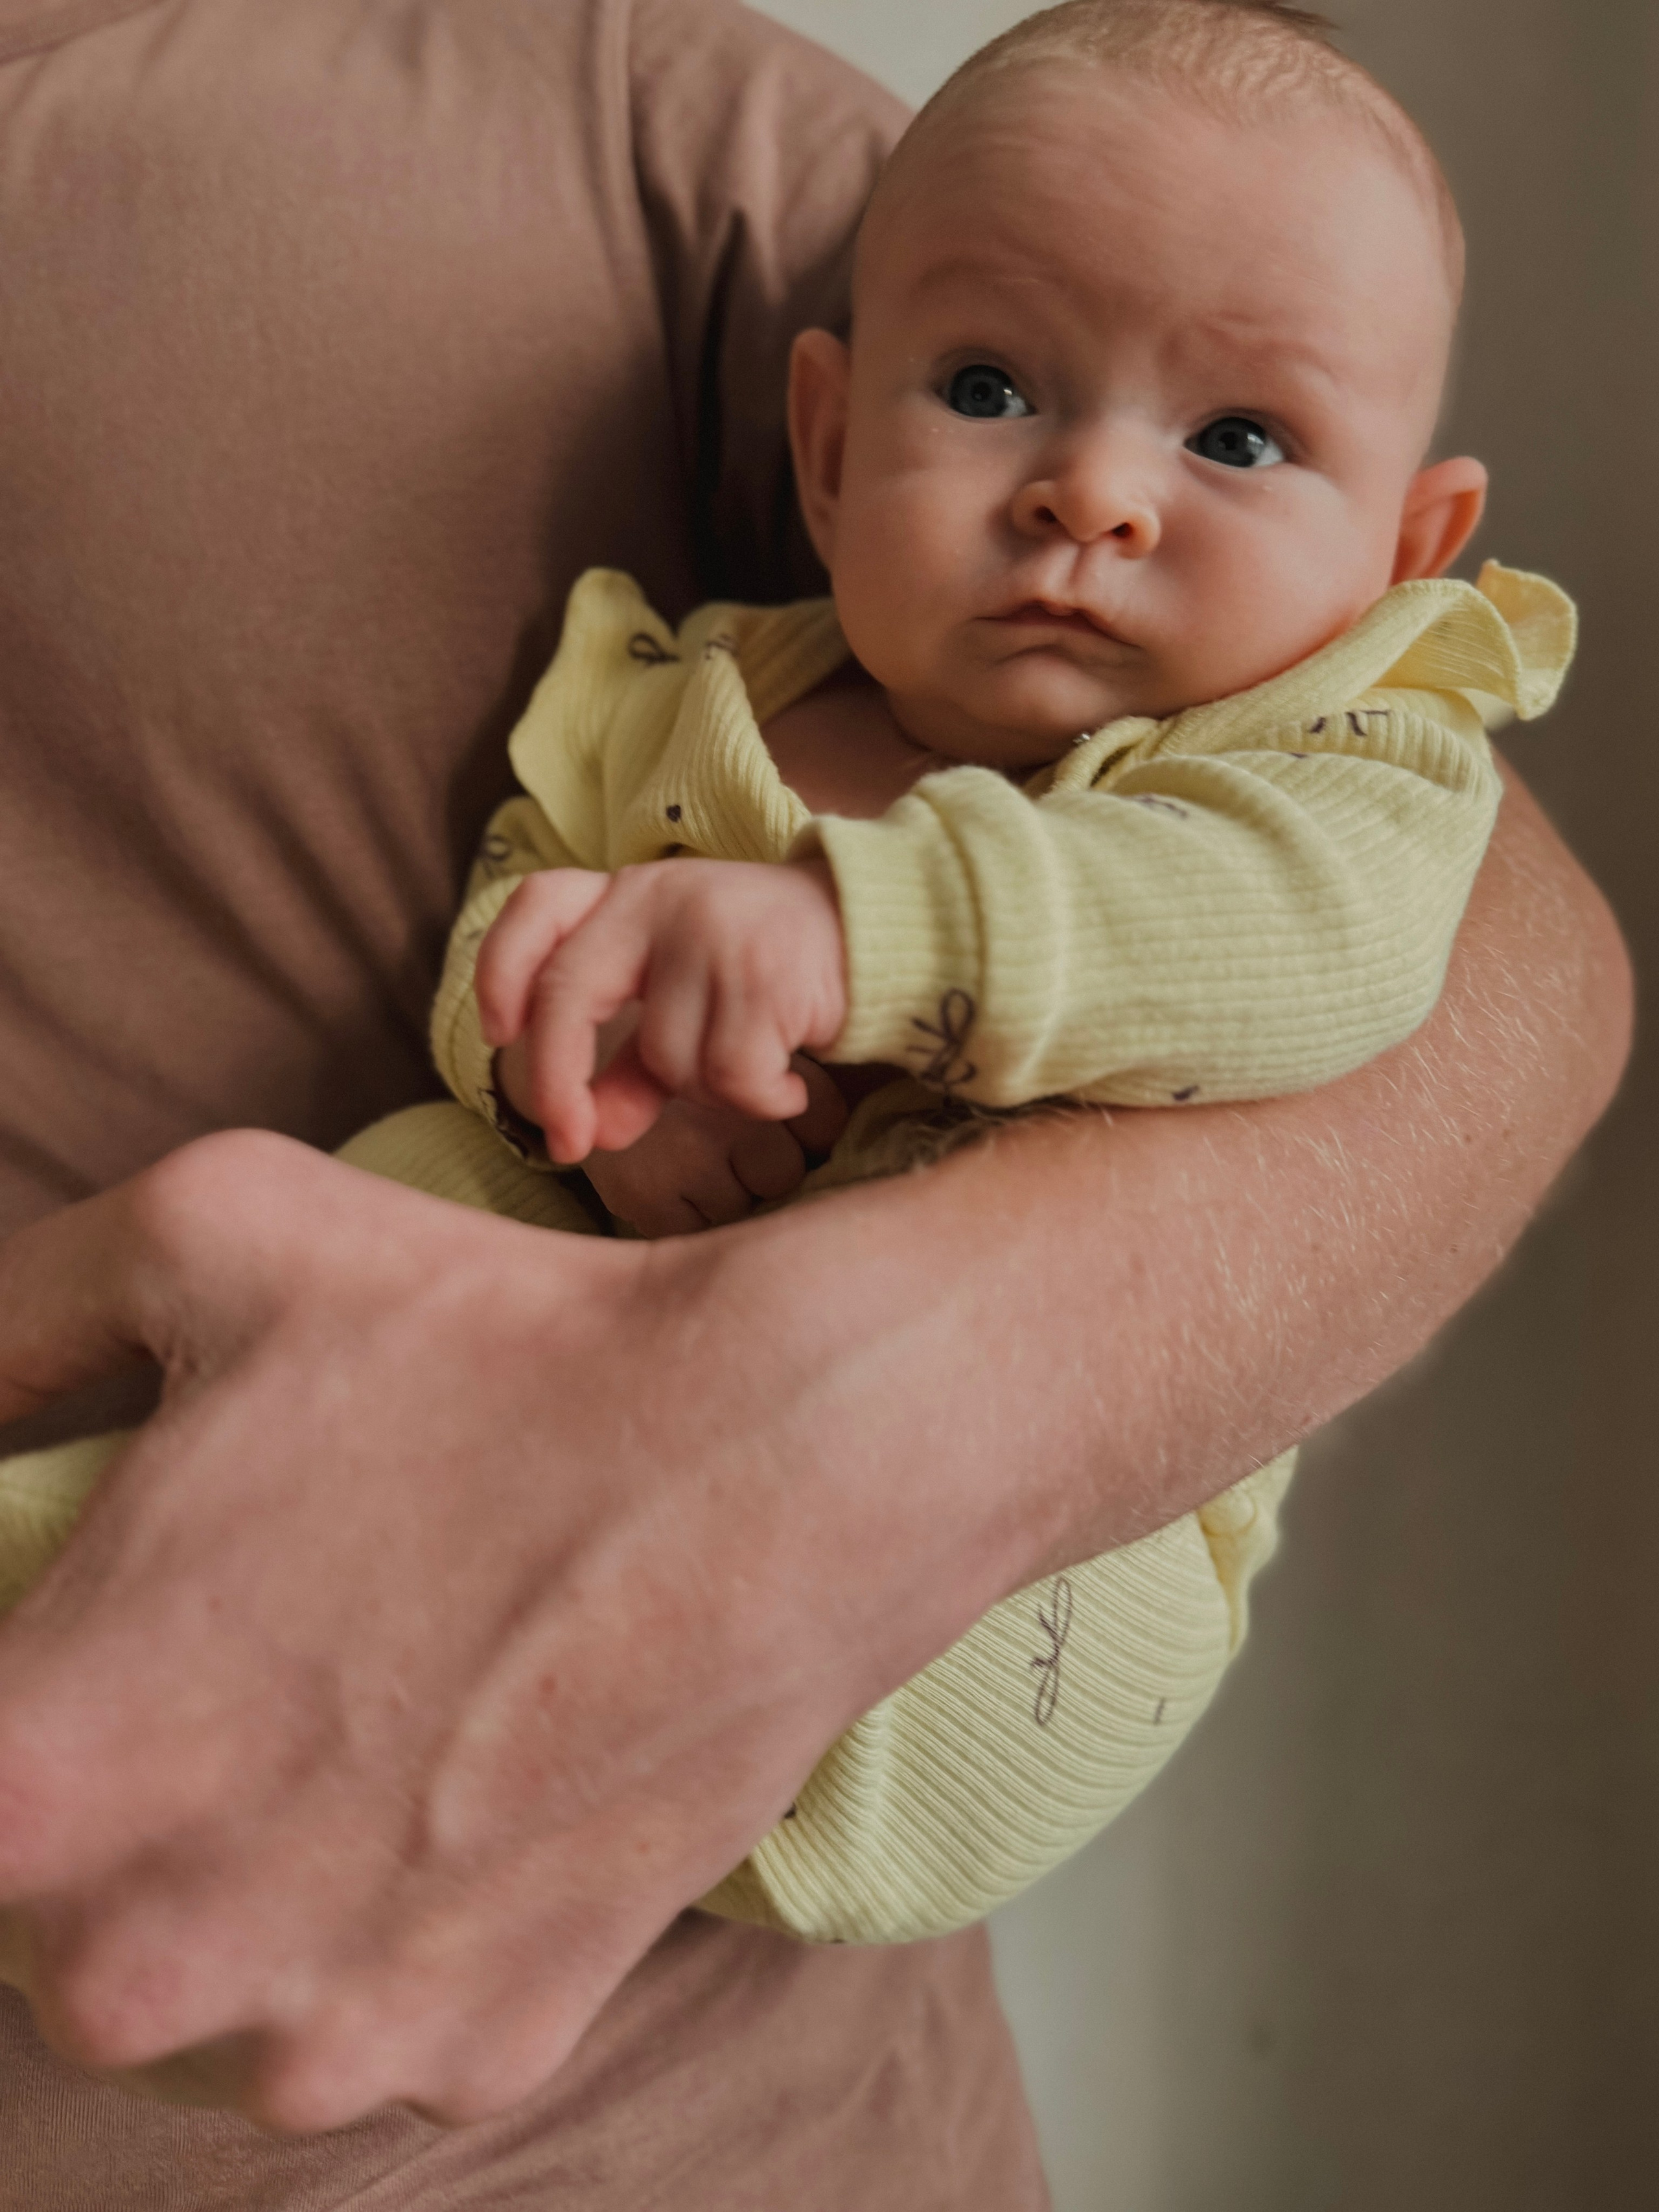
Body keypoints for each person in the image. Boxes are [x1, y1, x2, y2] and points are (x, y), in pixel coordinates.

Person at [0, 0, 1629, 2204]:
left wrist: (877, 938)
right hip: (483, 1341)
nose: (1096, 488)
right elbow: (520, 916)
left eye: (1242, 439)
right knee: (371, 1232)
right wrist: (577, 1057)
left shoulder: (1336, 761)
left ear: (1413, 547)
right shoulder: (691, 689)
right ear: (830, 436)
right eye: (988, 396)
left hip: (982, 1674)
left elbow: (1355, 951)